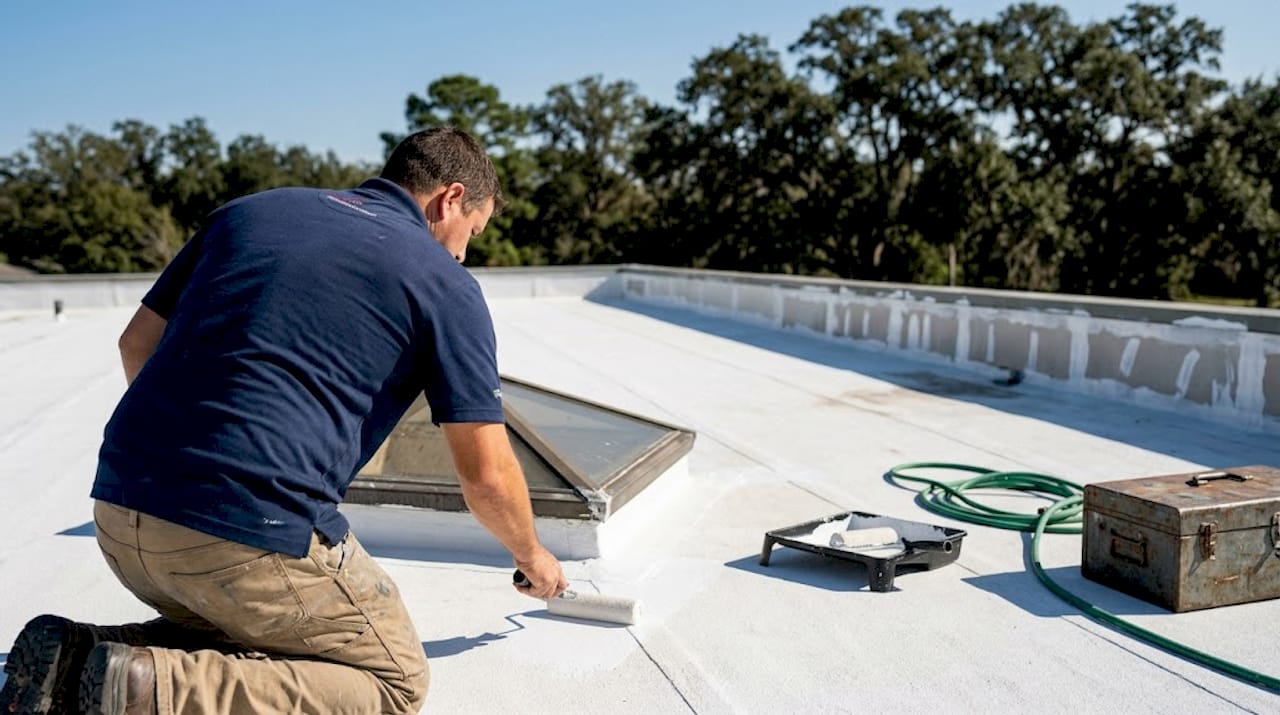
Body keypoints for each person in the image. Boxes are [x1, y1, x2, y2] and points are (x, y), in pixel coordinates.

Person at [0, 126, 568, 715]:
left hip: (117, 514)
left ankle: (78, 656)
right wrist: (532, 557)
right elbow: (486, 479)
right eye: (470, 233)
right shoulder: (445, 283)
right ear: (450, 198)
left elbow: (134, 344)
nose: (462, 254)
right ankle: (154, 690)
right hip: (244, 538)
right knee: (394, 681)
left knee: (259, 626)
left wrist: (187, 464)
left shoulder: (250, 212)